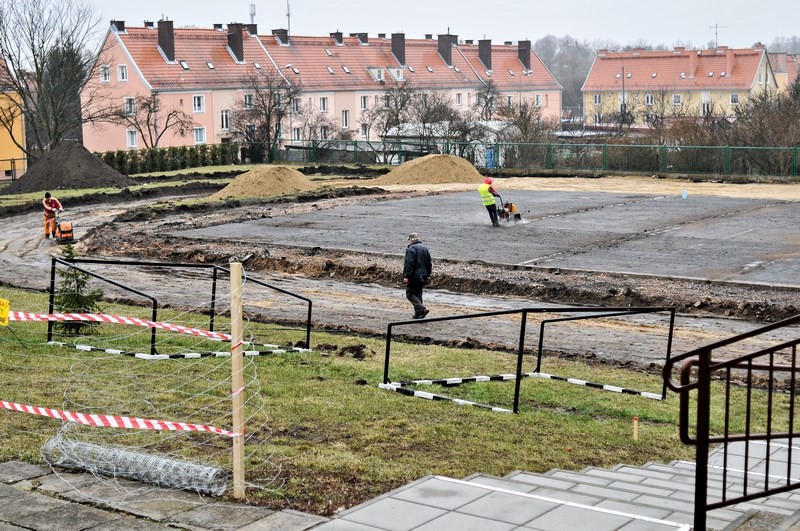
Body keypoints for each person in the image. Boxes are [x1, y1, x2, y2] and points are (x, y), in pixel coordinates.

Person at [403, 233, 432, 319]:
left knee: (410, 294)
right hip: (423, 275)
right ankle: (418, 314)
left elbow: (410, 263)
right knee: (418, 294)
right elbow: (429, 263)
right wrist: (428, 274)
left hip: (414, 276)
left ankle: (422, 309)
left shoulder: (411, 249)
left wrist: (406, 276)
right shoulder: (425, 248)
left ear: (411, 240)